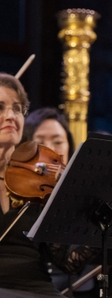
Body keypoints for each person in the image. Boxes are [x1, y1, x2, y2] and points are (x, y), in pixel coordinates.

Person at [0, 73, 95, 297]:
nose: (11, 116)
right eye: (0, 107)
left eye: (17, 109)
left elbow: (67, 262)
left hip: (36, 289)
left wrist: (102, 222)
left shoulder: (41, 180)